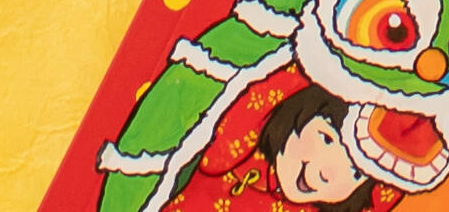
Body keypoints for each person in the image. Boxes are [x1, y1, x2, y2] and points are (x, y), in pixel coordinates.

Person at [168, 78, 393, 212]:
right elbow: (214, 152)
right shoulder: (239, 148)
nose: (326, 174)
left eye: (355, 173)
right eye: (326, 139)